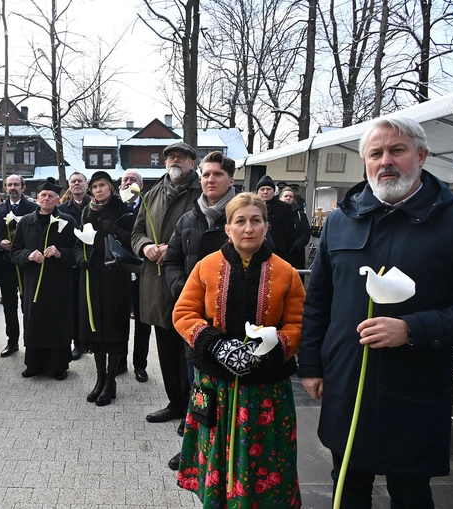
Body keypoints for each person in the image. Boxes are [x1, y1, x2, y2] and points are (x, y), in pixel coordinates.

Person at [299, 117, 453, 509]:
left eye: (397, 150)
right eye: (376, 153)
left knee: (410, 494)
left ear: (421, 156)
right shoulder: (341, 220)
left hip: (414, 386)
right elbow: (318, 300)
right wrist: (310, 365)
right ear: (366, 163)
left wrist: (411, 328)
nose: (385, 161)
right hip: (348, 380)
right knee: (348, 486)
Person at [173, 192, 304, 507]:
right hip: (216, 386)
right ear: (228, 228)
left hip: (266, 390)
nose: (249, 228)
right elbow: (183, 313)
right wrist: (216, 345)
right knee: (218, 459)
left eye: (255, 221)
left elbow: (297, 324)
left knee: (265, 461)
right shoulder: (207, 266)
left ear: (266, 227)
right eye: (240, 221)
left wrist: (268, 351)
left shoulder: (286, 272)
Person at [162, 150, 237, 469]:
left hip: (234, 320)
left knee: (230, 389)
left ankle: (230, 451)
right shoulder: (189, 218)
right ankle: (196, 449)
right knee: (199, 386)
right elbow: (172, 259)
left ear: (230, 179)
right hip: (197, 320)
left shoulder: (244, 214)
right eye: (206, 174)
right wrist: (183, 290)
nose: (210, 179)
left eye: (217, 174)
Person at [131, 141, 202, 425]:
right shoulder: (152, 193)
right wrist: (146, 246)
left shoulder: (201, 192)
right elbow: (136, 232)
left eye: (182, 157)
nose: (175, 161)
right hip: (156, 283)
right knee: (166, 349)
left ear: (192, 164)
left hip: (186, 280)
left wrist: (171, 249)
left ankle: (193, 410)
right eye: (171, 157)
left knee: (191, 352)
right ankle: (175, 402)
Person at [74, 171, 134, 405]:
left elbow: (133, 239)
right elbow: (78, 239)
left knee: (113, 327)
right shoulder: (87, 210)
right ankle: (99, 378)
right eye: (95, 186)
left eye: (103, 185)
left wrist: (115, 229)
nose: (98, 190)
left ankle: (111, 380)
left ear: (111, 187)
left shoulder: (123, 209)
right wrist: (80, 258)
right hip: (91, 273)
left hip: (115, 274)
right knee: (94, 327)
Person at [11, 177, 77, 380]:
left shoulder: (68, 221)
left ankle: (58, 366)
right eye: (43, 196)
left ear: (58, 200)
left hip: (59, 283)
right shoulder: (25, 222)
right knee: (34, 322)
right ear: (37, 198)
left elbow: (77, 250)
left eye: (51, 196)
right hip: (33, 282)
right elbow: (15, 252)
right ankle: (34, 364)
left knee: (57, 323)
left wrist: (60, 253)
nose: (47, 199)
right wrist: (28, 255)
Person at [0, 175, 38, 357]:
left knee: (28, 305)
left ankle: (31, 341)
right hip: (6, 264)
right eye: (9, 185)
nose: (13, 187)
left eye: (16, 184)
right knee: (9, 305)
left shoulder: (33, 208)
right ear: (5, 187)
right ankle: (12, 341)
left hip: (26, 264)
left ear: (23, 187)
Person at [118, 169, 151, 383]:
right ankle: (119, 361)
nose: (128, 182)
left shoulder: (148, 206)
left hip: (142, 270)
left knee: (142, 321)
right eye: (125, 179)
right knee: (119, 319)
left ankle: (140, 364)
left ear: (141, 185)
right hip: (119, 271)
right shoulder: (114, 206)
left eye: (133, 180)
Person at [58, 171, 91, 361]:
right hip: (70, 264)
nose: (76, 184)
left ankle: (91, 341)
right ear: (69, 186)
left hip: (91, 262)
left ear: (86, 184)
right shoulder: (62, 209)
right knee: (74, 306)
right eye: (73, 181)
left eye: (80, 181)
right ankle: (77, 343)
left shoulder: (95, 205)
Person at [256, 175, 298, 265]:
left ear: (274, 191)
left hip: (278, 251)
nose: (265, 192)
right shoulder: (252, 206)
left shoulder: (284, 207)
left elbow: (289, 233)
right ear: (258, 192)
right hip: (256, 250)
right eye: (262, 189)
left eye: (268, 189)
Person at [279, 186, 310, 270]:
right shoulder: (274, 213)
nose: (288, 198)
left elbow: (306, 233)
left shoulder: (300, 214)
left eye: (291, 196)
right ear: (280, 198)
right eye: (286, 196)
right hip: (278, 254)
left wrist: (295, 246)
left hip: (296, 255)